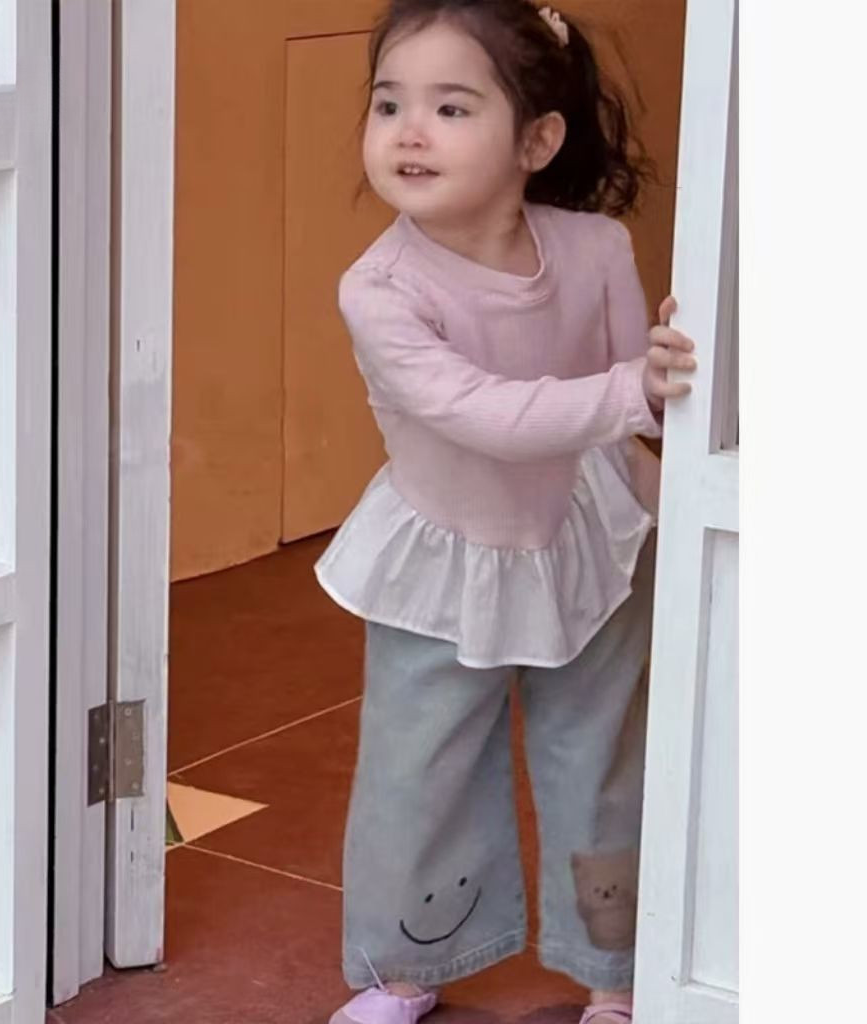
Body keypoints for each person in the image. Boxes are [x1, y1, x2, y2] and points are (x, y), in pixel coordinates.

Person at [314, 3, 697, 1023]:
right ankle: (402, 970)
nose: (408, 132)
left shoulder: (595, 249)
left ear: (537, 140)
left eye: (450, 107)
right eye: (388, 104)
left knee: (602, 759)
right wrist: (634, 388)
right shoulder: (379, 289)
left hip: (593, 544)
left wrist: (668, 374)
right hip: (442, 562)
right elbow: (483, 413)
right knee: (419, 769)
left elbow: (634, 408)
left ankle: (615, 976)